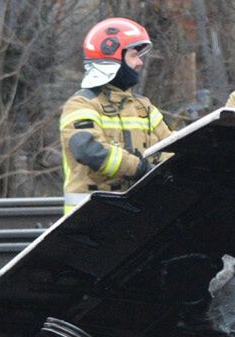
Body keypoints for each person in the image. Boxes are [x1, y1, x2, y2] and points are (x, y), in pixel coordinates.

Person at [60, 17, 170, 215]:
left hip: (137, 216)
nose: (140, 63)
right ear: (112, 57)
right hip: (90, 221)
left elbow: (170, 147)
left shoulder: (143, 107)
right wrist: (140, 168)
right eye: (134, 55)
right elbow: (88, 150)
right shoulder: (81, 105)